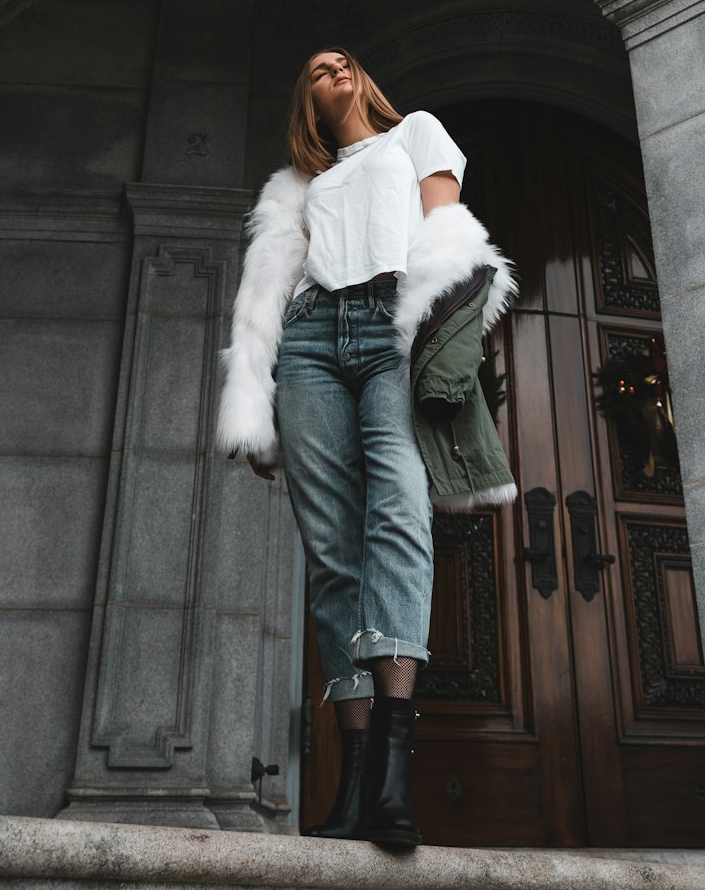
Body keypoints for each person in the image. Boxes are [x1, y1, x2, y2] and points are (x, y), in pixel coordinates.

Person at [217, 49, 517, 847]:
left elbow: (449, 237)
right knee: (330, 550)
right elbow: (269, 294)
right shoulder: (297, 187)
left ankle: (390, 771)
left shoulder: (416, 133)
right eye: (315, 68)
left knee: (399, 514)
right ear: (305, 100)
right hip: (311, 341)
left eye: (340, 59)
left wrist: (439, 343)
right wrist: (256, 395)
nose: (332, 66)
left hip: (391, 325)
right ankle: (354, 784)